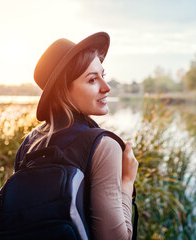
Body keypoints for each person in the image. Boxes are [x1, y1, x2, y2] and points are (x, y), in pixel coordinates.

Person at [14, 32, 139, 239]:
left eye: (103, 76)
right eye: (92, 80)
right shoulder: (104, 146)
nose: (106, 88)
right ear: (64, 91)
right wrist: (127, 182)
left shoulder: (29, 144)